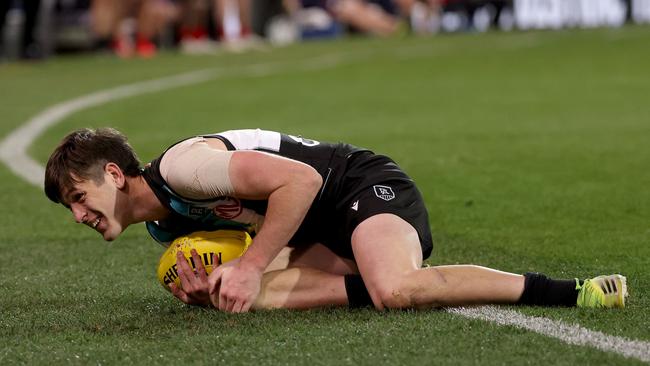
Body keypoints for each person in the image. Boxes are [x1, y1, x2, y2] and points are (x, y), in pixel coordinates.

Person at [44, 128, 628, 313]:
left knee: (395, 290)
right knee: (248, 297)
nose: (77, 215)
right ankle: (367, 282)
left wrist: (247, 265)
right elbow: (257, 235)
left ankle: (573, 293)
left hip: (357, 187)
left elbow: (301, 180)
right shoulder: (162, 224)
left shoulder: (183, 166)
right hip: (316, 227)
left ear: (115, 176)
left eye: (77, 196)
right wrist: (212, 286)